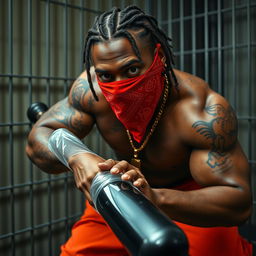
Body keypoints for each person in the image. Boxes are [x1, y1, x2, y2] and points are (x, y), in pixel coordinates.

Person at [26, 5, 253, 256]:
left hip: (188, 200)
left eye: (132, 70)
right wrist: (75, 156)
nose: (119, 86)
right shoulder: (92, 90)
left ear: (160, 56)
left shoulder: (201, 111)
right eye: (106, 75)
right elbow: (40, 135)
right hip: (121, 190)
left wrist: (156, 197)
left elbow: (238, 203)